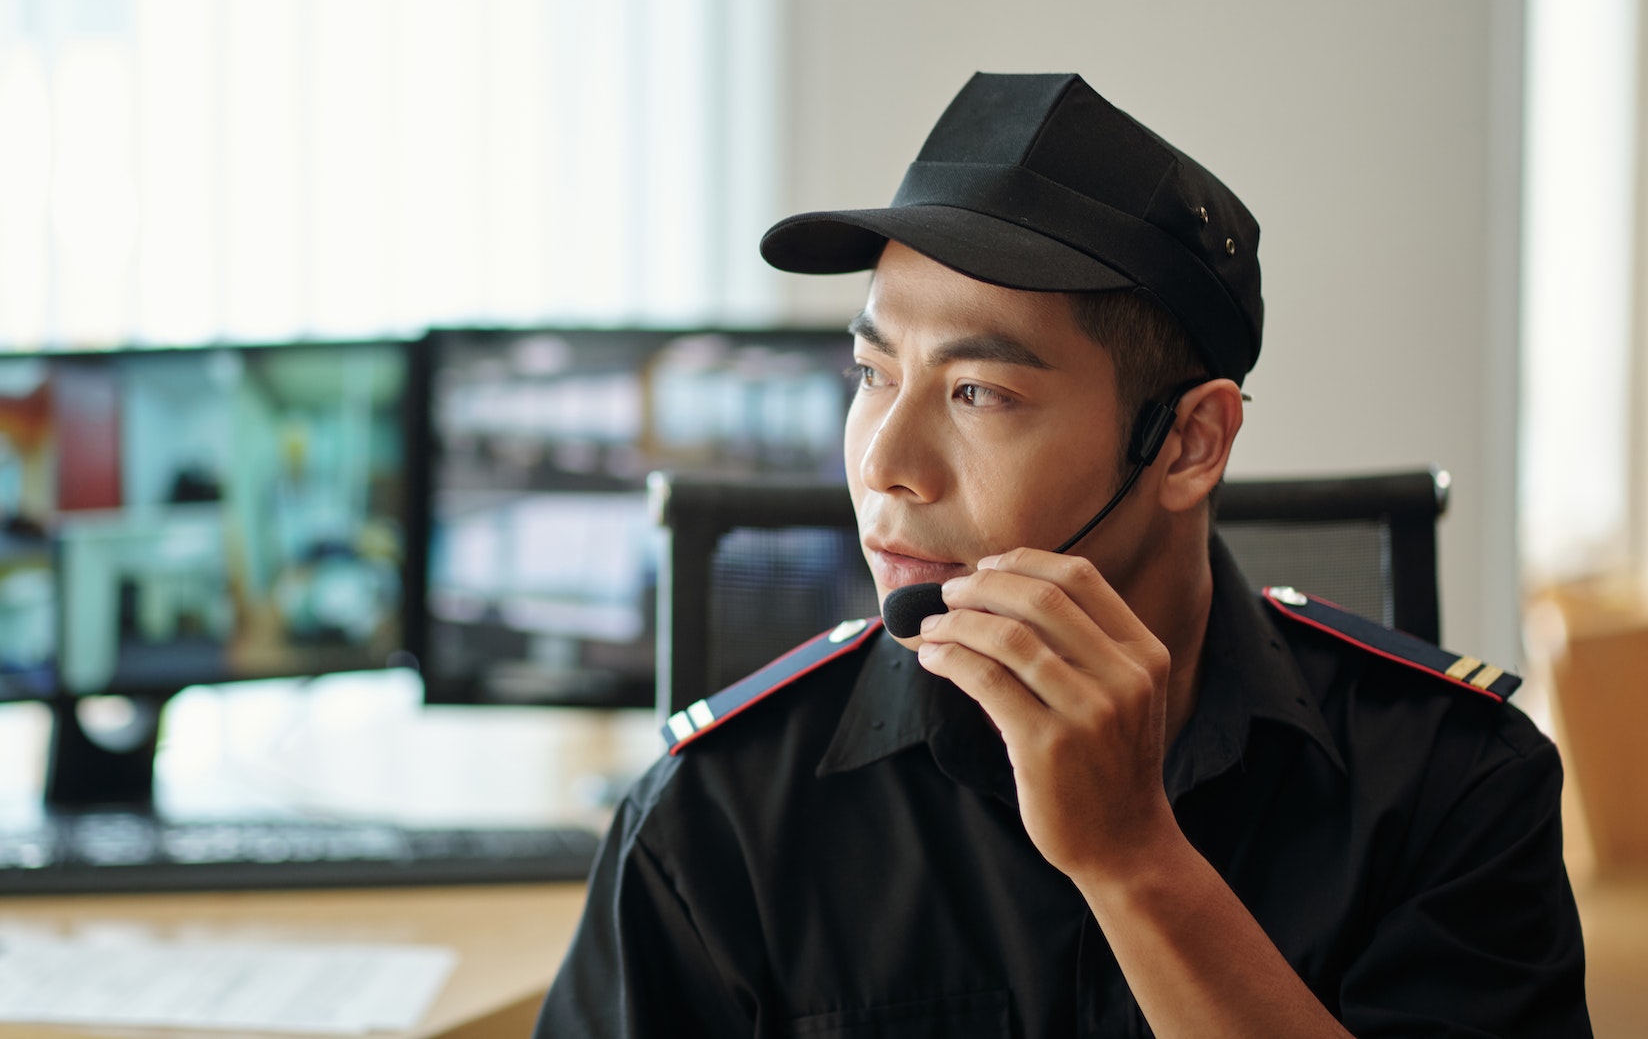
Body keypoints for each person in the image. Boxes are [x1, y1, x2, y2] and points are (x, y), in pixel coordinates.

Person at [533, 73, 1590, 1037]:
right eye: (871, 374)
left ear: (1188, 443)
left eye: (976, 393)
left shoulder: (1455, 784)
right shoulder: (714, 816)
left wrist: (1134, 860)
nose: (885, 464)